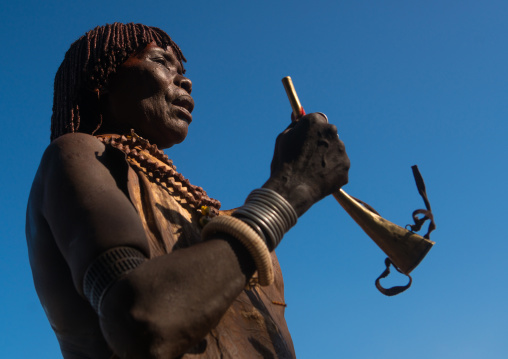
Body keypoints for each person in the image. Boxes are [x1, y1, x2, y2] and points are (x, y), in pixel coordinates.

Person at [26, 23, 350, 358]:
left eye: (181, 69)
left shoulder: (219, 224)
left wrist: (283, 189)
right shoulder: (77, 154)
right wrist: (288, 191)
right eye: (160, 62)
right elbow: (141, 322)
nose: (186, 80)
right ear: (103, 77)